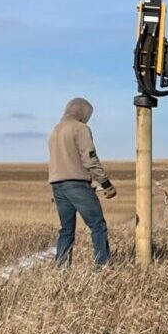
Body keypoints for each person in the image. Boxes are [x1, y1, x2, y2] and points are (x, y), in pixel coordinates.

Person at [48, 98, 115, 267]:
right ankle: (102, 267)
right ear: (83, 112)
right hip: (77, 184)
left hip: (57, 185)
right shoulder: (80, 128)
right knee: (97, 225)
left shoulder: (55, 130)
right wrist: (106, 184)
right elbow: (90, 158)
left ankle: (61, 269)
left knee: (66, 229)